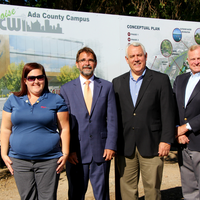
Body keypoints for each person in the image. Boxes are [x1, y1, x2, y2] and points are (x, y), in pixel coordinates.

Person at [112, 42, 175, 200]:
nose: (136, 59)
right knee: (127, 191)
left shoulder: (160, 80)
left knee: (152, 191)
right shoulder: (117, 83)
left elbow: (168, 112)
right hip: (125, 146)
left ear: (145, 57)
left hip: (153, 144)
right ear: (127, 59)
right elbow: (113, 116)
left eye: (139, 55)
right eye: (132, 56)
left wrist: (166, 140)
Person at [1, 62, 70, 200]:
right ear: (25, 80)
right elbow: (5, 128)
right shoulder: (13, 100)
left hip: (49, 161)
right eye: (31, 78)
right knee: (27, 197)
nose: (36, 81)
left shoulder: (56, 100)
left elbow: (65, 128)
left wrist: (66, 153)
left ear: (45, 79)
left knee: (47, 198)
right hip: (20, 161)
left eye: (40, 77)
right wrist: (3, 154)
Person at [60, 47, 118, 200]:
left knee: (102, 195)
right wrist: (69, 150)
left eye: (90, 60)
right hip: (76, 153)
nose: (87, 63)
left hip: (101, 152)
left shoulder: (107, 87)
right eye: (83, 60)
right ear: (77, 64)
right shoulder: (66, 89)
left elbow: (112, 118)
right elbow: (64, 124)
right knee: (76, 195)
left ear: (95, 63)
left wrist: (110, 145)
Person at [173, 44, 200, 200]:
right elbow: (173, 107)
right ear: (188, 61)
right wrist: (177, 129)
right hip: (183, 143)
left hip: (198, 140)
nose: (196, 62)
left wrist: (185, 128)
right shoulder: (180, 79)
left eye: (199, 58)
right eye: (193, 59)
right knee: (189, 188)